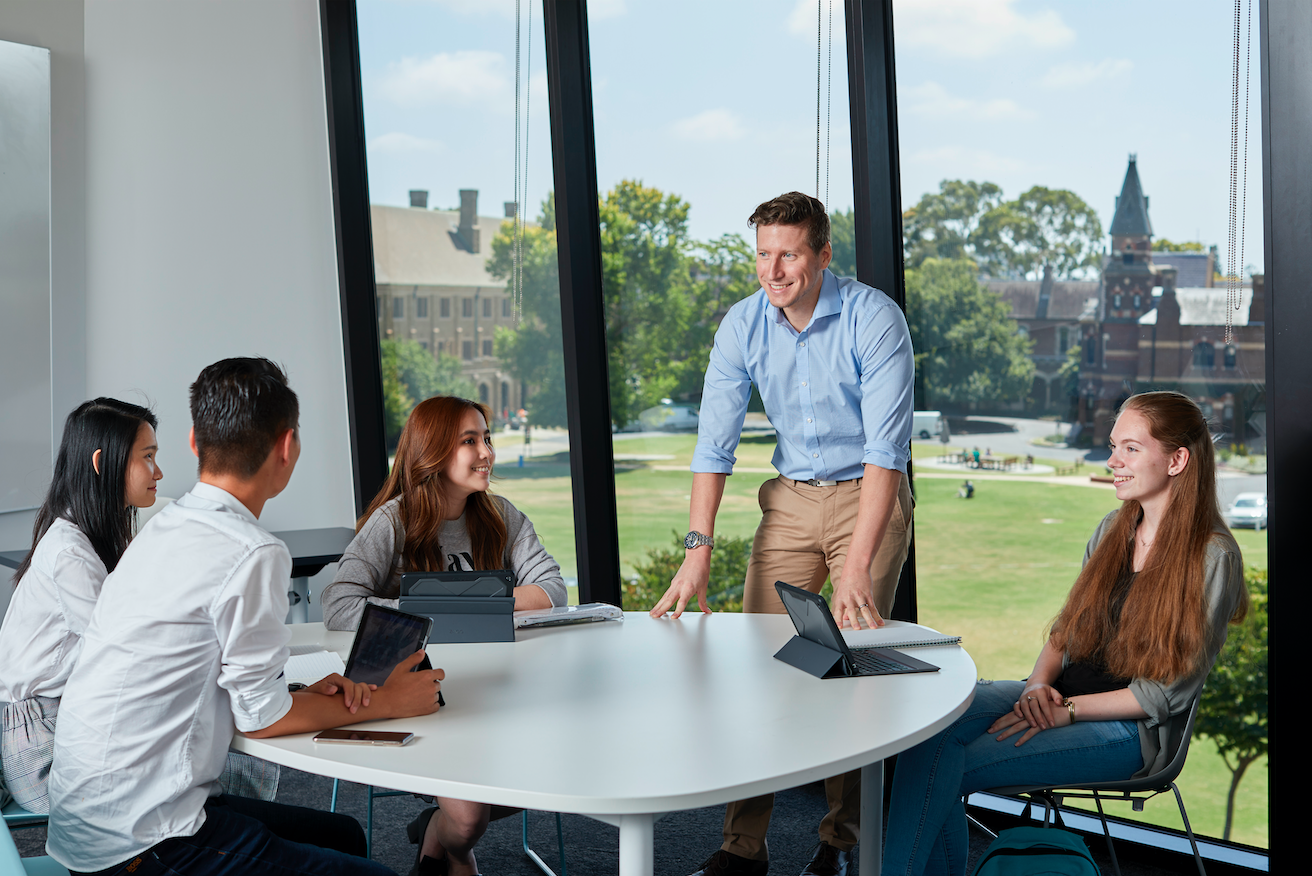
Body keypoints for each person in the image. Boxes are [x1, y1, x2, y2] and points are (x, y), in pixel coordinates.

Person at [45, 358, 447, 876]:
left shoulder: (165, 526)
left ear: (194, 441)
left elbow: (231, 686)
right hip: (140, 842)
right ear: (287, 447)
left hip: (90, 818)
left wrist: (299, 695)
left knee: (344, 835)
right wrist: (389, 702)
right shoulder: (251, 550)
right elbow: (261, 720)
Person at [650, 192, 915, 876]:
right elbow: (714, 446)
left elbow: (886, 454)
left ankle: (842, 843)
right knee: (763, 662)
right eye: (763, 254)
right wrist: (696, 554)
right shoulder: (743, 324)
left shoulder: (873, 318)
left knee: (845, 666)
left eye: (789, 254)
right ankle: (743, 847)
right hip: (791, 499)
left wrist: (856, 567)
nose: (773, 270)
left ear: (823, 255)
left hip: (867, 496)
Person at [883, 391, 1248, 876]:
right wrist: (1037, 686)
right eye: (1114, 446)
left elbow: (1161, 695)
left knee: (941, 767)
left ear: (1177, 460)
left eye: (1131, 449)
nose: (1113, 460)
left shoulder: (1212, 558)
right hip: (1056, 694)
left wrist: (1068, 711)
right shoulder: (1113, 529)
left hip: (1128, 732)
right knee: (927, 732)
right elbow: (1067, 631)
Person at [322, 395, 566, 876]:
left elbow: (551, 590)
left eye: (487, 439)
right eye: (469, 441)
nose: (487, 452)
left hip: (498, 685)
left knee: (556, 770)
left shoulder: (502, 515)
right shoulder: (393, 520)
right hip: (423, 693)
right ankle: (448, 838)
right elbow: (339, 603)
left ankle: (437, 835)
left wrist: (462, 604)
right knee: (469, 818)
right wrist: (438, 611)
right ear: (433, 452)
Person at [0, 399, 163, 814]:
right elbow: (127, 654)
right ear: (101, 463)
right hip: (42, 750)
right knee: (206, 760)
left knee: (203, 751)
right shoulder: (71, 553)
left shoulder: (88, 537)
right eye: (147, 457)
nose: (158, 472)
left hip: (68, 721)